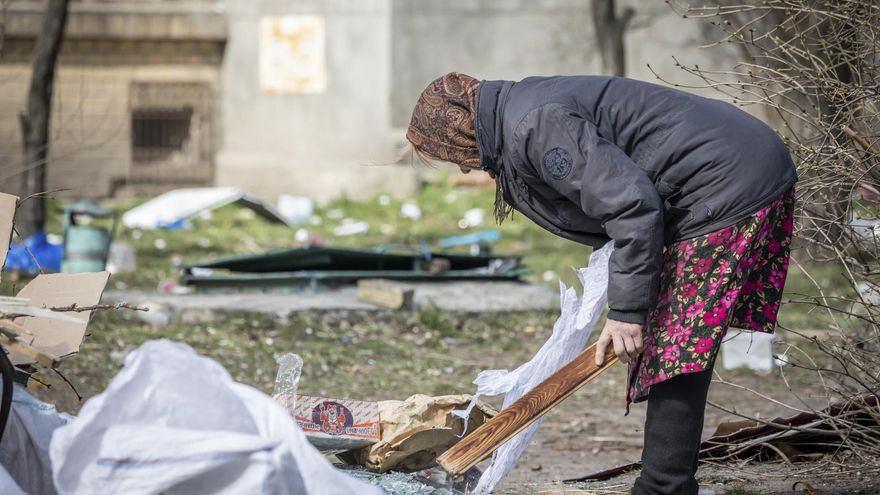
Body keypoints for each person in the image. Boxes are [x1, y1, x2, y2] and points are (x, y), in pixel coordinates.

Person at [404, 72, 797, 495]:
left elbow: (631, 206)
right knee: (678, 342)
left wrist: (627, 312)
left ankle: (662, 488)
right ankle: (668, 485)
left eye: (452, 154)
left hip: (726, 180)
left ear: (459, 128)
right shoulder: (521, 114)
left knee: (674, 345)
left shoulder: (535, 126)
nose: (464, 165)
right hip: (738, 168)